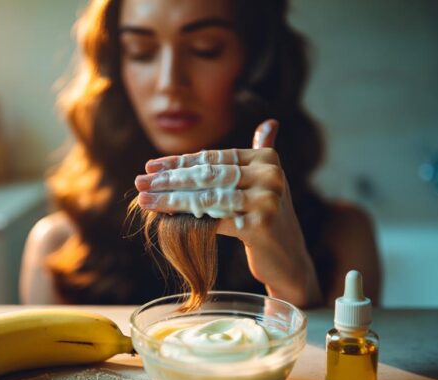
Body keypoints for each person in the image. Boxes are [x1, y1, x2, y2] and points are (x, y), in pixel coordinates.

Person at [20, 0, 381, 308]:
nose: (168, 81)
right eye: (141, 53)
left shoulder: (345, 237)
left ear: (257, 64)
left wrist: (295, 282)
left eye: (206, 48)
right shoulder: (57, 247)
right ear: (117, 67)